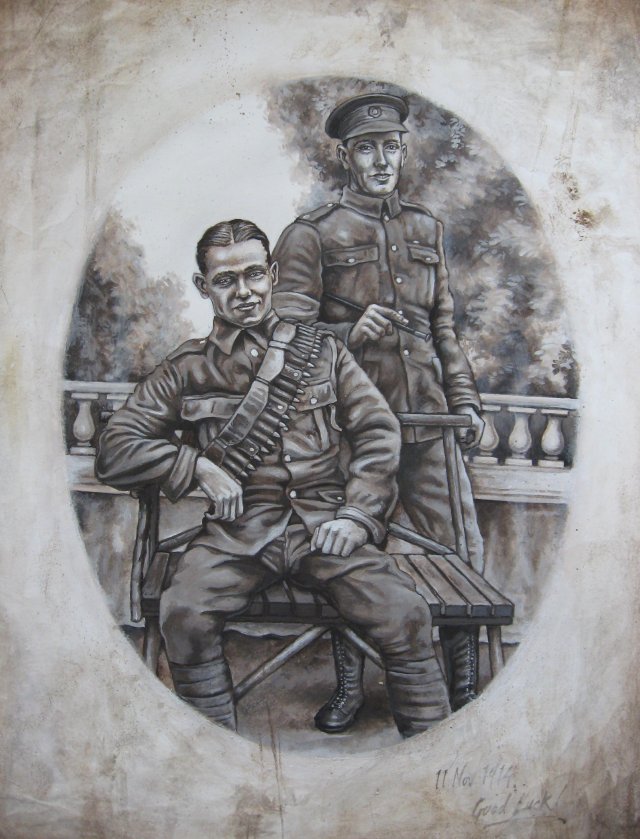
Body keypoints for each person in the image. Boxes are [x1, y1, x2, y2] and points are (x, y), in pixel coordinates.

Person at [95, 218, 451, 737]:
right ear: (203, 287)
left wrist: (357, 515)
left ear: (274, 275)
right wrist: (195, 467)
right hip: (237, 535)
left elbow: (377, 431)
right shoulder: (187, 368)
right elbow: (114, 448)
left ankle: (432, 753)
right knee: (183, 614)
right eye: (225, 280)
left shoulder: (323, 351)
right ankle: (214, 752)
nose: (244, 292)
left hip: (325, 528)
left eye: (254, 275)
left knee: (406, 613)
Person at [272, 93, 485, 733]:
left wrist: (465, 401)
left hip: (429, 426)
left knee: (458, 554)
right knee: (354, 557)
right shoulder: (311, 234)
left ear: (402, 150)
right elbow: (281, 338)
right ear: (345, 156)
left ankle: (466, 686)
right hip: (354, 434)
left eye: (391, 146)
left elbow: (444, 329)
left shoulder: (425, 228)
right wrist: (347, 331)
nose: (381, 160)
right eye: (367, 148)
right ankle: (350, 687)